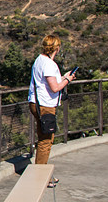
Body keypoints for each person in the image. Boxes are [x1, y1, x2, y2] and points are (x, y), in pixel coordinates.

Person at [27, 34, 75, 187]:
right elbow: (54, 88)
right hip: (45, 106)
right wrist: (67, 80)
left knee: (43, 138)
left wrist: (62, 78)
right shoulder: (48, 64)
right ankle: (41, 177)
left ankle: (41, 173)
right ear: (57, 48)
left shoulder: (39, 60)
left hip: (36, 102)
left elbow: (48, 82)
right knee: (46, 141)